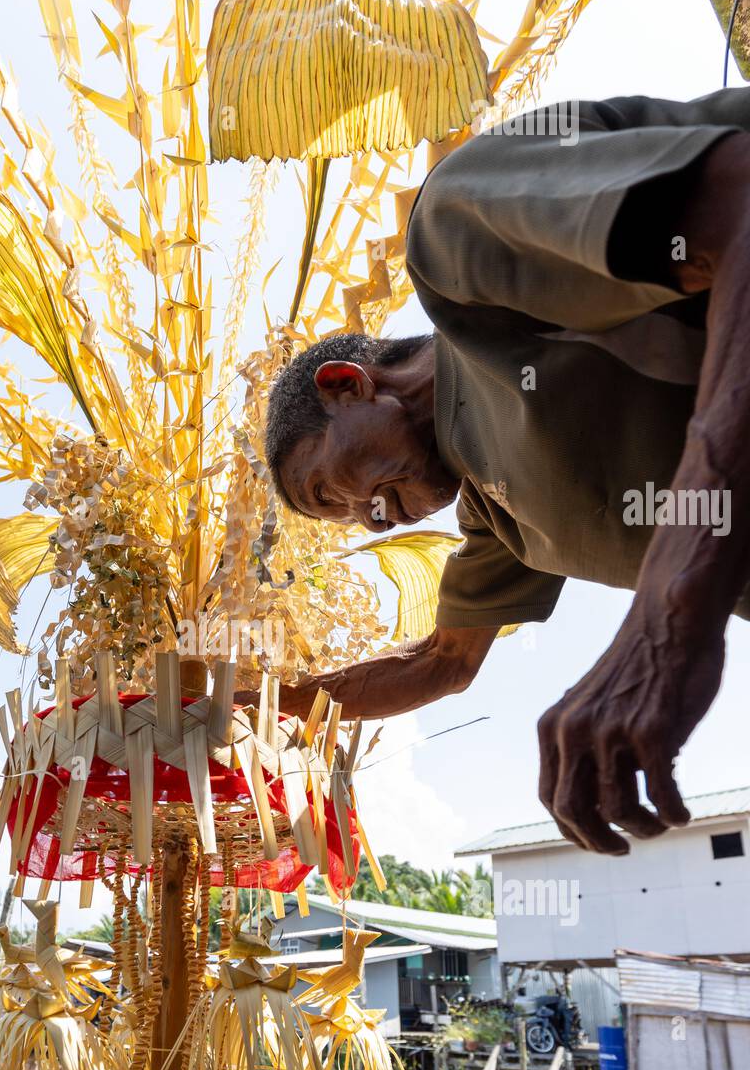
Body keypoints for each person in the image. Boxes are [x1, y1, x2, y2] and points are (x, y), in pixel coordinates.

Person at [263, 88, 750, 856]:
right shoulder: (499, 522)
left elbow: (738, 207)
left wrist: (669, 615)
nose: (369, 520)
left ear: (347, 386)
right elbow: (441, 664)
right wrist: (267, 703)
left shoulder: (454, 240)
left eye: (335, 492)